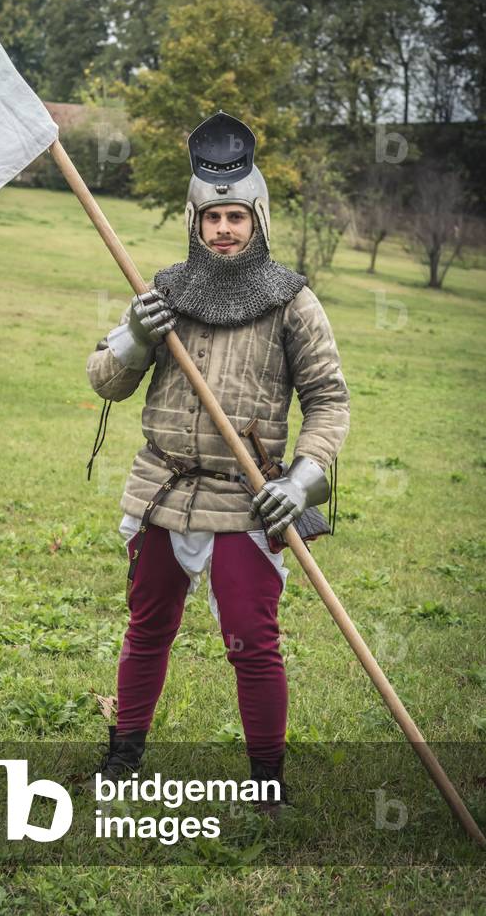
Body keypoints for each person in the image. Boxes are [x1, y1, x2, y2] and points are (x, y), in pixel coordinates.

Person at [85, 112, 350, 814]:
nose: (224, 229)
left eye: (236, 216)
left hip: (247, 497)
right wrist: (136, 338)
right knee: (147, 629)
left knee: (252, 641)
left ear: (256, 219)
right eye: (213, 219)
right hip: (164, 489)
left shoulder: (292, 300)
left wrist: (301, 479)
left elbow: (328, 400)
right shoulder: (162, 293)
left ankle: (265, 778)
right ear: (194, 224)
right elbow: (104, 381)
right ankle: (124, 751)